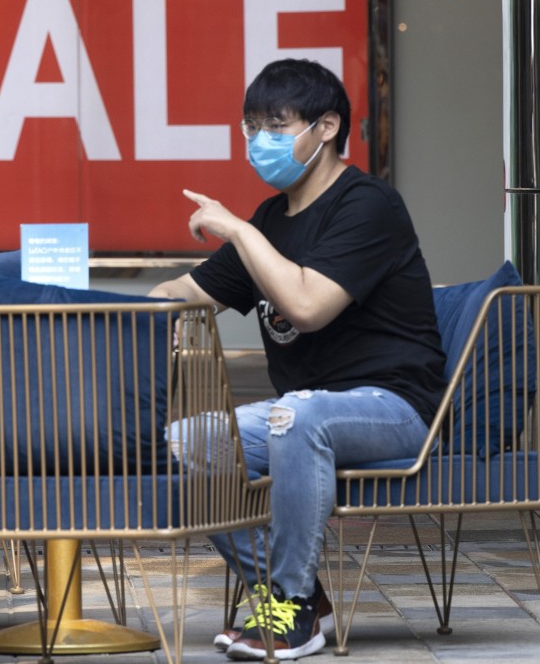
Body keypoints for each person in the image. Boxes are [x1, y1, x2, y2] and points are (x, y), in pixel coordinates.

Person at [150, 59, 446, 660]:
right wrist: (103, 308)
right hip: (301, 410)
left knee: (297, 417)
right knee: (184, 443)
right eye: (250, 125)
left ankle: (291, 612)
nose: (260, 141)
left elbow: (308, 305)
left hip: (393, 407)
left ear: (328, 126)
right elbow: (185, 292)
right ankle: (294, 597)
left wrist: (237, 230)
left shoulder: (368, 206)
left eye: (276, 125)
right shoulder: (269, 221)